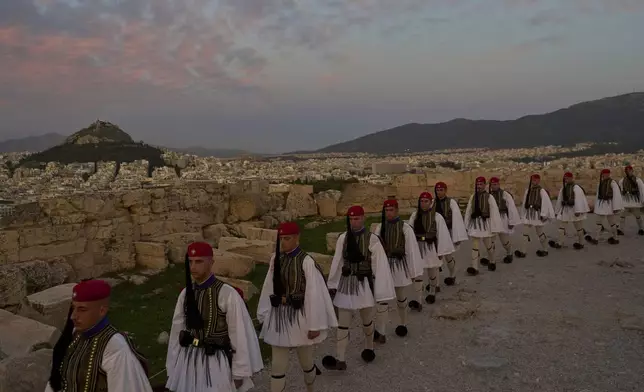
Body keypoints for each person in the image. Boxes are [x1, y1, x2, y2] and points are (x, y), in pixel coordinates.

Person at [165, 242, 263, 392]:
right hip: (189, 361)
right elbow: (176, 332)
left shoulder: (227, 294)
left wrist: (238, 373)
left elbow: (239, 334)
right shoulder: (185, 294)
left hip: (217, 362)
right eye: (190, 262)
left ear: (211, 263)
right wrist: (172, 366)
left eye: (199, 262)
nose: (193, 267)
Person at [257, 222, 337, 392]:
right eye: (281, 239)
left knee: (306, 363)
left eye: (287, 238)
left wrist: (314, 325)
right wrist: (264, 315)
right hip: (278, 316)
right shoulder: (275, 258)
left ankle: (311, 388)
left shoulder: (306, 262)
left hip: (301, 317)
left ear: (297, 238)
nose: (283, 242)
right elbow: (268, 287)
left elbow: (313, 294)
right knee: (278, 367)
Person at [322, 205, 395, 371]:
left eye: (356, 218)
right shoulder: (344, 238)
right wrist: (332, 284)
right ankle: (340, 359)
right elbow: (338, 261)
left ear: (363, 218)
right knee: (343, 324)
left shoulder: (372, 239)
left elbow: (378, 265)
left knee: (366, 320)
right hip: (346, 284)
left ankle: (369, 347)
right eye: (351, 219)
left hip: (363, 284)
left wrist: (381, 290)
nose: (353, 222)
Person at [45, 279, 153, 392]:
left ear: (102, 311)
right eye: (74, 308)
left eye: (82, 309)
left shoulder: (114, 346)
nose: (73, 316)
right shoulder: (73, 336)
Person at [371, 199, 423, 338]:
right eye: (386, 210)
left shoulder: (405, 228)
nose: (388, 213)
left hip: (399, 266)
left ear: (397, 210)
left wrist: (413, 272)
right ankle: (381, 331)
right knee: (382, 299)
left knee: (400, 296)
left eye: (391, 210)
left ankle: (403, 323)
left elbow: (410, 251)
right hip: (384, 267)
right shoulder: (379, 228)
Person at [407, 192, 454, 305]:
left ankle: (432, 292)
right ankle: (418, 300)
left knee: (432, 272)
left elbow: (442, 235)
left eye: (426, 201)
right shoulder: (414, 215)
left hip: (431, 247)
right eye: (421, 201)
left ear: (430, 202)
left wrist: (441, 251)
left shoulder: (437, 217)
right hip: (418, 247)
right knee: (418, 273)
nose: (423, 204)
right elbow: (409, 232)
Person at [463, 176, 503, 275]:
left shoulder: (489, 197)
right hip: (475, 225)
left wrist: (495, 227)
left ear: (485, 185)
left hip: (485, 225)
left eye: (481, 184)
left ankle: (492, 261)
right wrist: (466, 225)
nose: (479, 186)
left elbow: (494, 213)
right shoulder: (473, 197)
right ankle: (474, 268)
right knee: (475, 246)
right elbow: (468, 211)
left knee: (488, 246)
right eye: (477, 184)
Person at [433, 182, 469, 286]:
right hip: (436, 234)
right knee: (435, 258)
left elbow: (456, 219)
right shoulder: (433, 203)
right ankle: (435, 284)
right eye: (437, 190)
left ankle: (452, 274)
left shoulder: (451, 202)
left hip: (448, 232)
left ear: (445, 190)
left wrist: (457, 236)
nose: (439, 192)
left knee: (448, 255)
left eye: (441, 190)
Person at [515, 174, 555, 258]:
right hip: (529, 214)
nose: (534, 181)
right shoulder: (528, 190)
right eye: (533, 180)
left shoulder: (541, 191)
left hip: (537, 214)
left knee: (540, 233)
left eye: (536, 180)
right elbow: (524, 203)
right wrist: (523, 214)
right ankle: (523, 251)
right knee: (525, 234)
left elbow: (545, 202)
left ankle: (545, 249)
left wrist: (544, 214)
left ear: (538, 180)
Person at [549, 172, 590, 250]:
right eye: (565, 178)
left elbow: (579, 200)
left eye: (567, 178)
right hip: (566, 210)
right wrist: (557, 211)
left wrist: (578, 210)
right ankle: (560, 243)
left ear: (571, 178)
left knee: (579, 228)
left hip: (574, 210)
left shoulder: (576, 188)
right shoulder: (563, 188)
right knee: (561, 228)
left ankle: (581, 243)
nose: (566, 180)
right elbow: (559, 200)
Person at [585, 169, 624, 245]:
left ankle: (615, 238)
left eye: (606, 174)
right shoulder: (600, 183)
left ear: (609, 174)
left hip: (609, 205)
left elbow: (616, 195)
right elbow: (597, 195)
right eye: (604, 174)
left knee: (612, 223)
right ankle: (596, 238)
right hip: (601, 205)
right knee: (598, 223)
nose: (605, 175)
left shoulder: (612, 183)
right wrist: (596, 206)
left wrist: (616, 207)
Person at [488, 177, 521, 264]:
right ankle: (492, 259)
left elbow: (511, 208)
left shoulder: (505, 194)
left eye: (495, 184)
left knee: (504, 240)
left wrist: (511, 221)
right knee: (490, 241)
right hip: (492, 220)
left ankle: (509, 253)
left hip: (502, 219)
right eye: (492, 185)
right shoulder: (488, 195)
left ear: (498, 184)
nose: (493, 186)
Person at [617, 165, 644, 235]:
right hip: (625, 202)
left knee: (638, 216)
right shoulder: (622, 181)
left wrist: (643, 201)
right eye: (627, 171)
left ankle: (641, 229)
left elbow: (642, 191)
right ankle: (621, 229)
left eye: (630, 171)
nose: (629, 172)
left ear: (632, 171)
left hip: (635, 202)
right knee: (622, 216)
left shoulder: (638, 180)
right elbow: (621, 192)